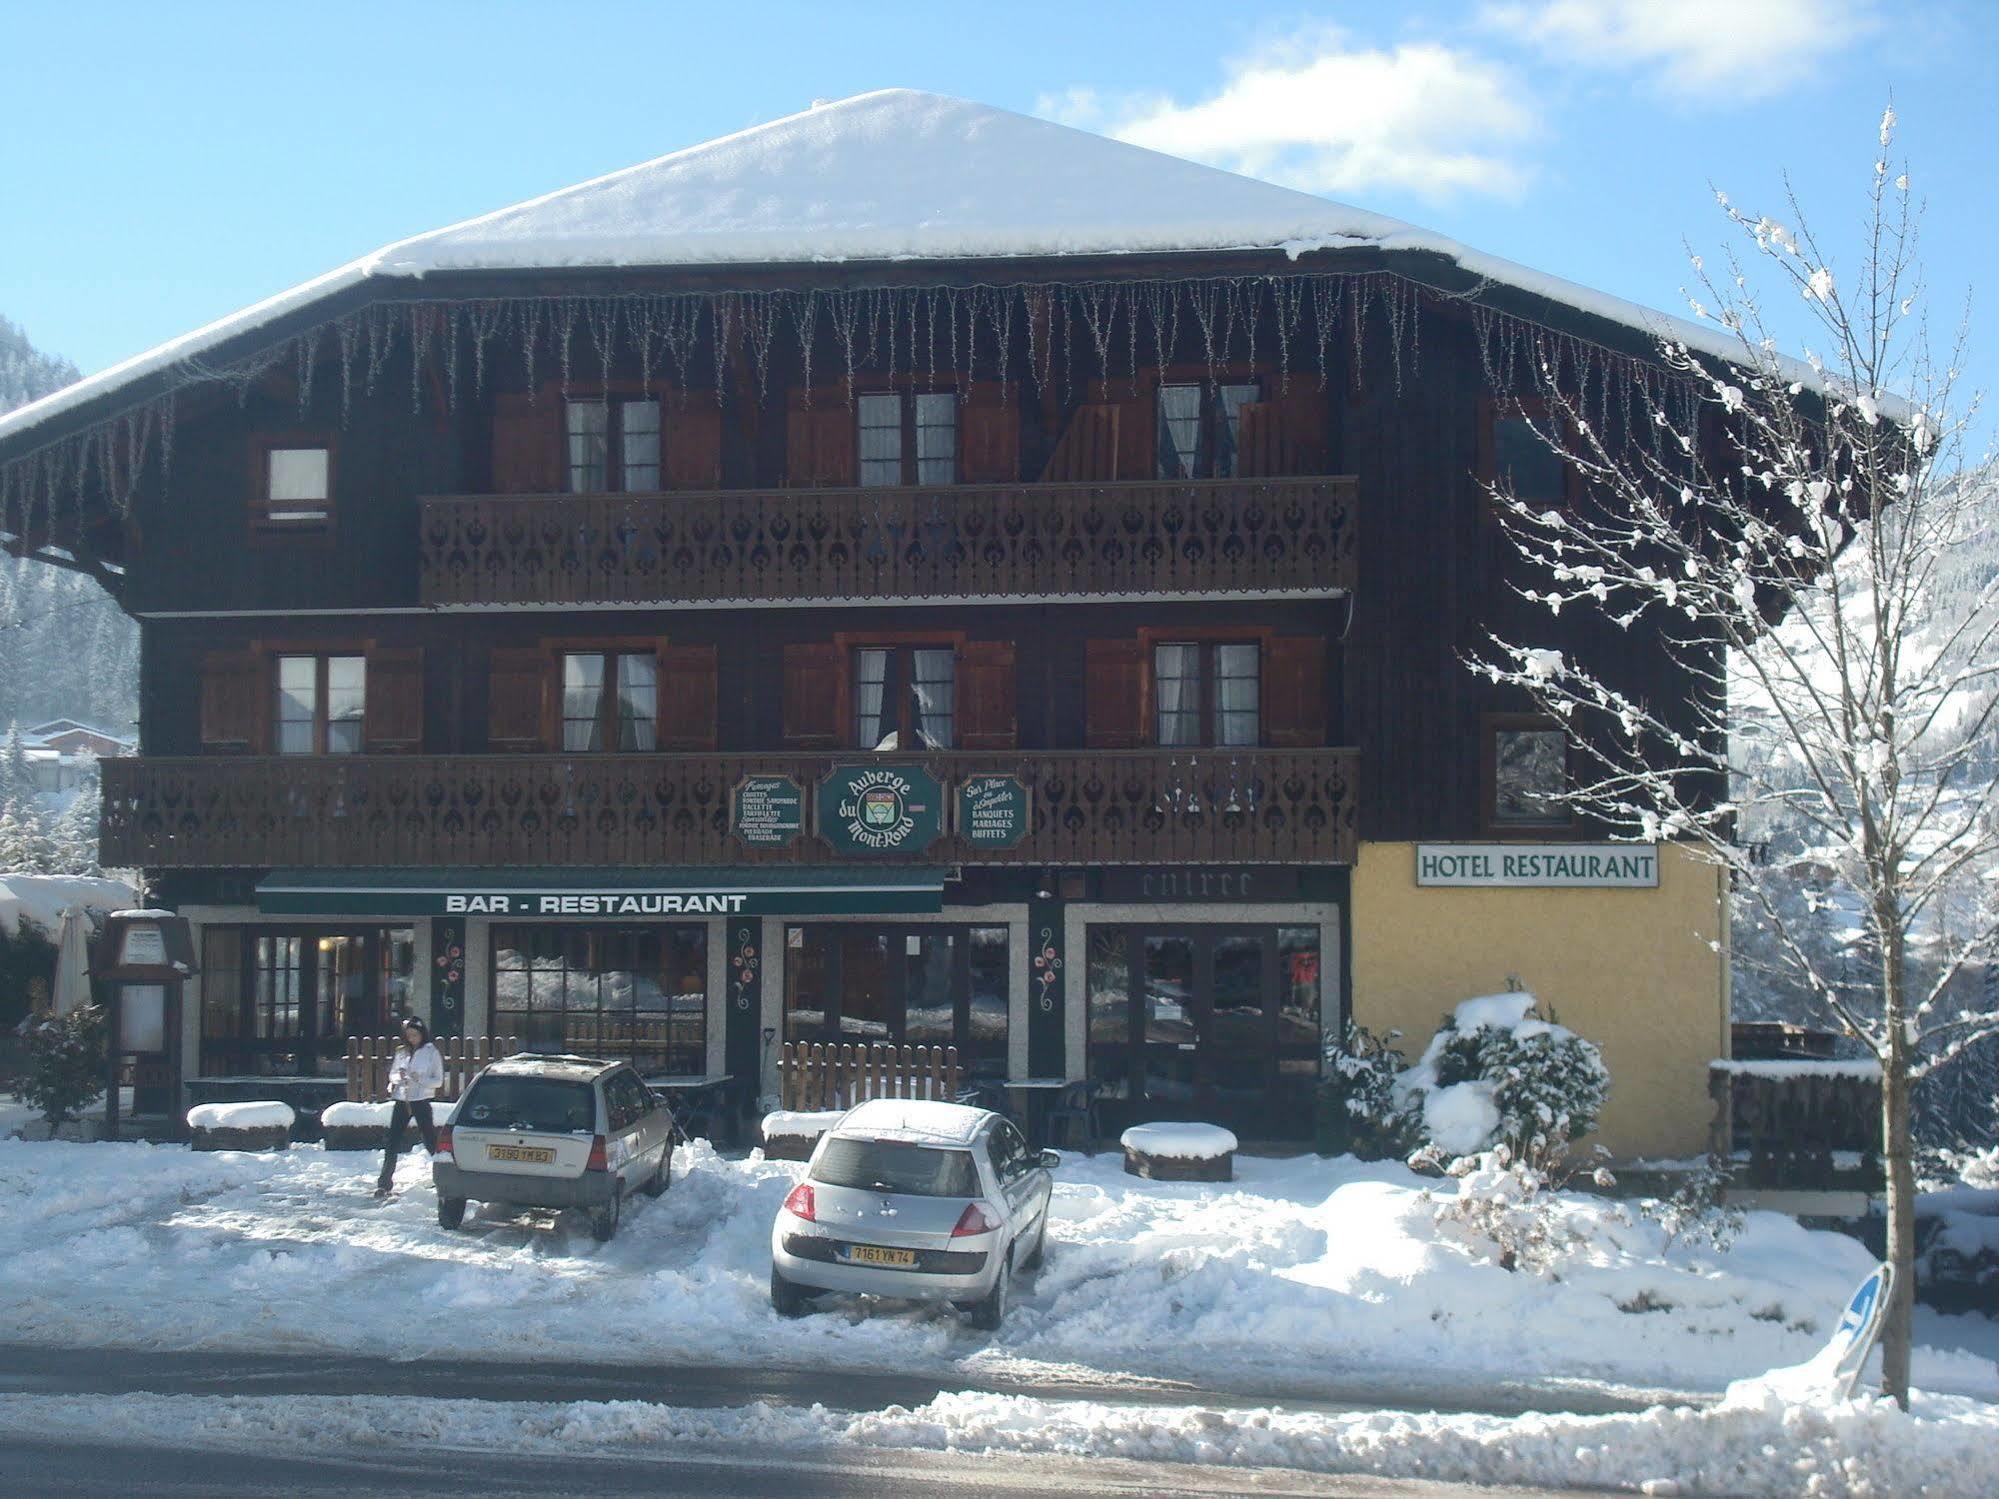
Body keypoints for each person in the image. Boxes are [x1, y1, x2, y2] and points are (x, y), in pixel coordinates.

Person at [375, 1017, 444, 1197]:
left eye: (415, 1035)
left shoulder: (431, 1052)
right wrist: (400, 1078)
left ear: (422, 1034)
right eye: (409, 1035)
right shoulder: (402, 1052)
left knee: (430, 1140)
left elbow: (438, 1080)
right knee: (392, 1141)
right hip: (402, 1099)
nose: (412, 1038)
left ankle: (443, 1177)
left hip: (420, 1100)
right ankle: (384, 1183)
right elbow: (393, 1074)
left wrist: (419, 1079)